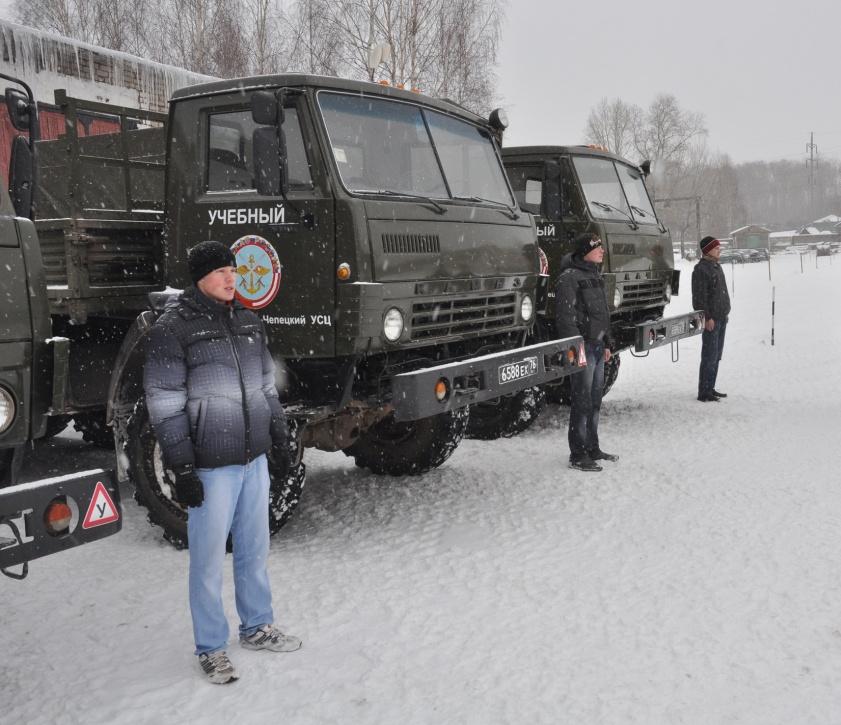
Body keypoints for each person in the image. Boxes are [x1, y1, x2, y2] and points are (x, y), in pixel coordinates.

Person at [144, 240, 301, 685]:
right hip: (212, 467)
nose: (232, 278)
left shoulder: (248, 323)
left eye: (232, 270)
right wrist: (182, 467)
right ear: (199, 278)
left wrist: (280, 438)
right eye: (221, 272)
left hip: (253, 461)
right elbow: (164, 405)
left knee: (255, 551)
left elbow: (266, 388)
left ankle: (256, 626)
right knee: (208, 561)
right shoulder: (172, 330)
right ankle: (211, 647)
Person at [555, 232, 618, 472]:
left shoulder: (594, 275)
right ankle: (578, 454)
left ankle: (593, 447)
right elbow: (566, 319)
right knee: (581, 401)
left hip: (598, 347)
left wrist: (608, 343)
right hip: (582, 349)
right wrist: (575, 347)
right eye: (597, 247)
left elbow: (602, 314)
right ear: (585, 251)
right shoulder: (569, 278)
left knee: (594, 400)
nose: (602, 250)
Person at [692, 236, 731, 402]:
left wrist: (725, 313)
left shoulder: (716, 267)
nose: (719, 250)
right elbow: (700, 298)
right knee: (709, 355)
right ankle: (704, 392)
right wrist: (707, 317)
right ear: (707, 250)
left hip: (721, 318)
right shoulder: (701, 270)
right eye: (716, 248)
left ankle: (711, 387)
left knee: (716, 356)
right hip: (711, 320)